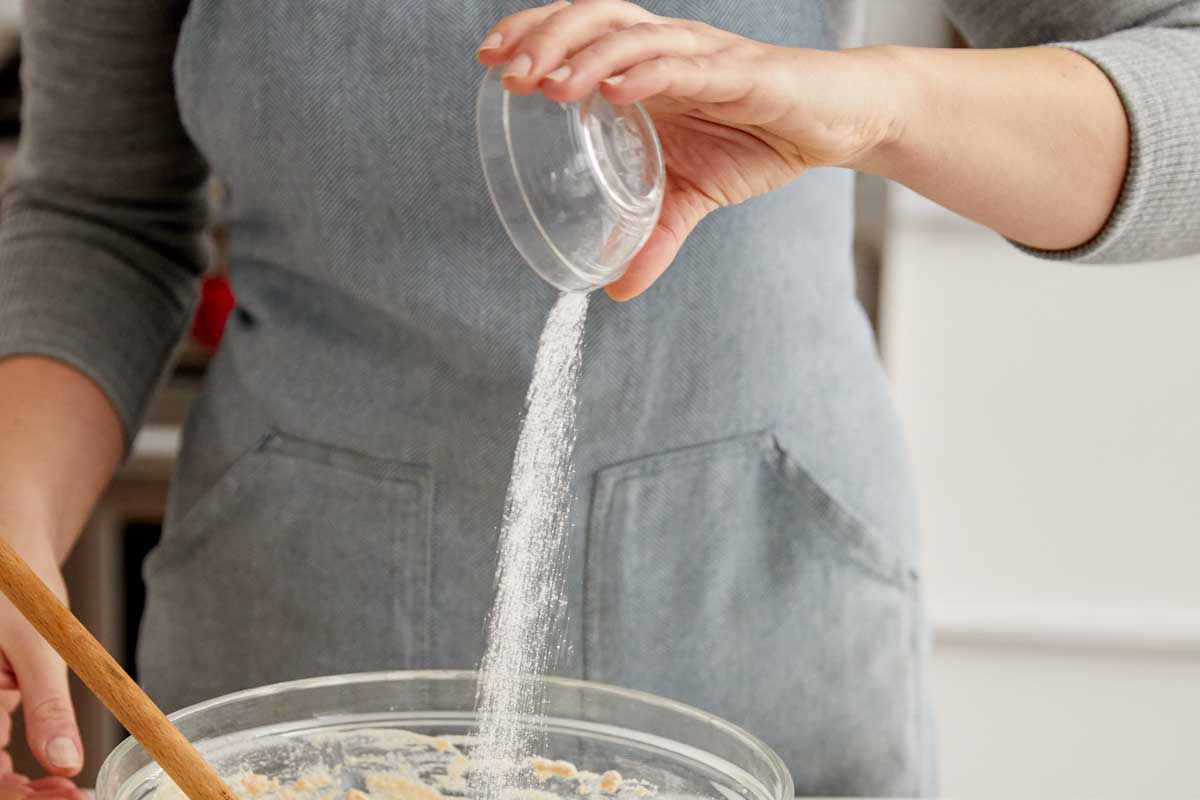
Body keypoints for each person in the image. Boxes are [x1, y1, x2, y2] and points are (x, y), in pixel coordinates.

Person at [1, 0, 1198, 796]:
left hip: (764, 632)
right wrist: (13, 509)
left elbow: (1179, 76)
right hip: (281, 657)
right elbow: (98, 210)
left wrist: (877, 101)